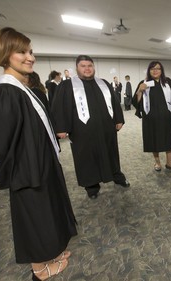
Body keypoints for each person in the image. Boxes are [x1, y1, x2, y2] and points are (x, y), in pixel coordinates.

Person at [0, 27, 77, 281]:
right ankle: (39, 267)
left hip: (42, 163)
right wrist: (23, 170)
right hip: (27, 170)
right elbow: (0, 144)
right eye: (22, 52)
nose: (30, 57)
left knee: (48, 213)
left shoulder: (23, 89)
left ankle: (52, 253)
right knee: (36, 218)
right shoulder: (5, 92)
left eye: (31, 51)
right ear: (5, 55)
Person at [51, 55, 130, 199]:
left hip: (106, 128)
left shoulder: (103, 83)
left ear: (93, 67)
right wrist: (61, 128)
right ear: (77, 68)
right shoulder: (67, 86)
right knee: (86, 158)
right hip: (81, 131)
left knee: (111, 153)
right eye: (83, 66)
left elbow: (114, 102)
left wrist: (118, 118)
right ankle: (91, 186)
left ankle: (116, 176)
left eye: (90, 65)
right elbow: (59, 108)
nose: (87, 69)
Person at [132, 61, 171, 171]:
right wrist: (140, 90)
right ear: (149, 71)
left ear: (161, 70)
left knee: (169, 139)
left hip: (167, 117)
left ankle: (169, 163)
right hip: (151, 119)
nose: (155, 71)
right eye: (152, 68)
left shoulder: (167, 82)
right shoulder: (144, 83)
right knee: (154, 140)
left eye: (158, 68)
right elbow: (136, 102)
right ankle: (157, 163)